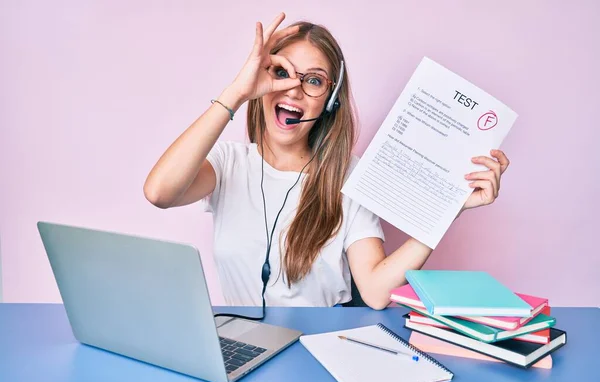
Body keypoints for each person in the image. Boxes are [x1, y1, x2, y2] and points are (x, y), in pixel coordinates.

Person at [143, 12, 510, 310]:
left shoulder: (348, 176)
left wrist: (447, 210)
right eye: (281, 73)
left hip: (320, 351)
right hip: (244, 346)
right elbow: (159, 192)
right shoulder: (228, 162)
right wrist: (236, 93)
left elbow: (377, 292)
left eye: (314, 81)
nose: (293, 90)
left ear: (330, 101)